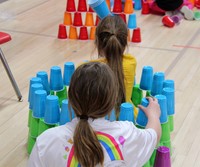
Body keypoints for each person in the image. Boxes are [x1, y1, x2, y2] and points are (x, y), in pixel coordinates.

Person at [27, 62, 161, 167]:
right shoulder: (126, 134)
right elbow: (153, 136)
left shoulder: (46, 141)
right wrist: (154, 115)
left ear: (70, 100)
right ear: (111, 103)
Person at [91, 15, 137, 116]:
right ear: (125, 42)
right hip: (129, 118)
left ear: (97, 42)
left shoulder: (88, 68)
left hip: (99, 122)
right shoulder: (131, 62)